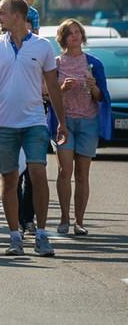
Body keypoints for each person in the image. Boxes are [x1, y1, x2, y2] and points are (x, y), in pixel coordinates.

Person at [0, 0, 66, 257]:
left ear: (17, 15)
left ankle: (41, 234)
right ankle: (15, 236)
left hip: (34, 121)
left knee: (38, 173)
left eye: (2, 13)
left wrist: (62, 122)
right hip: (3, 123)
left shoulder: (42, 46)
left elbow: (53, 86)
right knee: (9, 179)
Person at [53, 19, 110, 236]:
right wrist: (62, 88)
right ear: (63, 38)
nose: (75, 36)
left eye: (78, 32)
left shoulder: (94, 63)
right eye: (70, 33)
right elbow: (48, 94)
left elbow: (102, 97)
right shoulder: (56, 64)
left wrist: (93, 87)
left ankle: (79, 221)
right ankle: (64, 219)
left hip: (88, 122)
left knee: (82, 174)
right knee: (64, 171)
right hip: (64, 122)